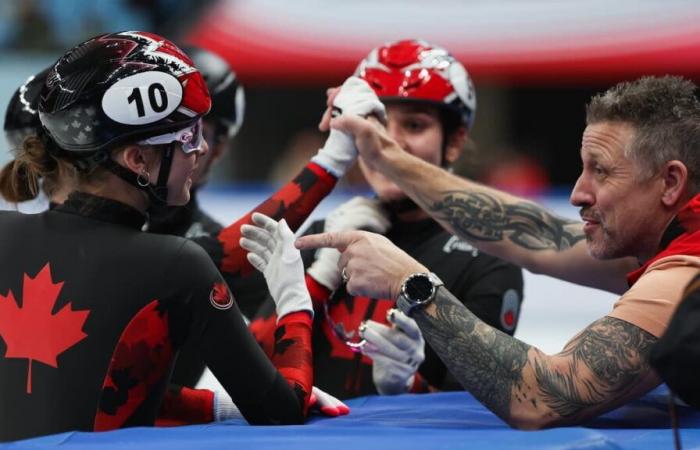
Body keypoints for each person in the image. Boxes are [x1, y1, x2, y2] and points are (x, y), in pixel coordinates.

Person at [295, 75, 700, 428]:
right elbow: (529, 232)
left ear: (669, 182)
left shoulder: (687, 271)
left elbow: (545, 395)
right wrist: (385, 155)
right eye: (582, 168)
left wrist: (411, 282)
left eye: (602, 170)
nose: (578, 193)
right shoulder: (667, 238)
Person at [0, 31, 319, 442]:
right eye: (187, 137)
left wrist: (212, 406)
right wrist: (294, 300)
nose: (202, 149)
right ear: (138, 160)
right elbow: (283, 410)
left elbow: (73, 386)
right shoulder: (177, 263)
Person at [248, 39, 523, 399]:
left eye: (413, 125)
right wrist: (320, 276)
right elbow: (250, 378)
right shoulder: (320, 239)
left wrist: (408, 386)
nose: (389, 144)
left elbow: (481, 410)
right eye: (376, 123)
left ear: (454, 141)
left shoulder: (488, 260)